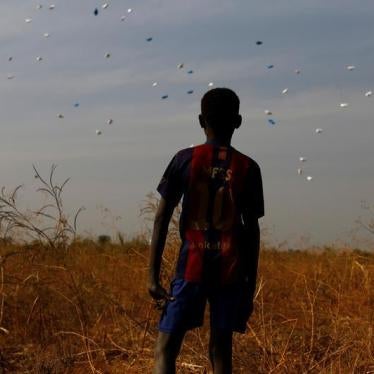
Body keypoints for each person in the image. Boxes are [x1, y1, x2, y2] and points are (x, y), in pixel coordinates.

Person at [148, 87, 264, 374]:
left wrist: (152, 276)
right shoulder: (249, 168)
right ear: (238, 122)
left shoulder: (184, 160)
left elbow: (161, 218)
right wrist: (248, 288)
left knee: (166, 348)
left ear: (201, 121)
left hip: (191, 270)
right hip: (231, 272)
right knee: (220, 350)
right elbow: (252, 233)